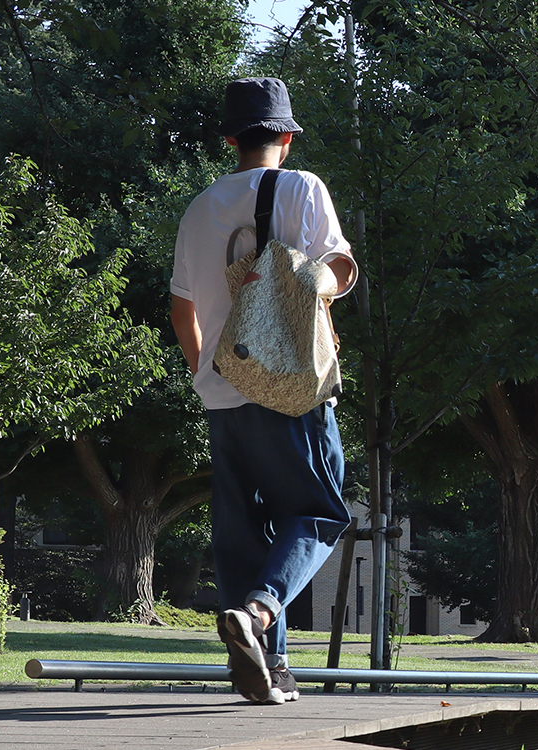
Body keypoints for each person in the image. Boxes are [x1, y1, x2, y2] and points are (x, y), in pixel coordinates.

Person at [171, 77, 358, 705]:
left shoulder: (198, 208)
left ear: (230, 140)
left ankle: (264, 668)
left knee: (241, 531)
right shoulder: (302, 187)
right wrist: (308, 285)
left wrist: (211, 373)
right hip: (292, 387)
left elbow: (181, 310)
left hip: (221, 391)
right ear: (286, 137)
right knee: (318, 512)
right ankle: (260, 611)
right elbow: (336, 269)